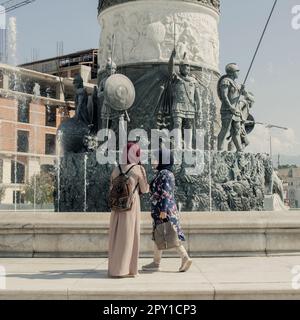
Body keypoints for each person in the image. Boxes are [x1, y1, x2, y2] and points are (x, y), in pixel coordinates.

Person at [142, 148, 192, 273]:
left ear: (162, 160)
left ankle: (185, 257)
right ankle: (156, 262)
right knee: (159, 234)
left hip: (164, 210)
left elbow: (166, 193)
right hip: (161, 210)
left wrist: (163, 210)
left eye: (155, 158)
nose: (152, 161)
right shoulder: (162, 173)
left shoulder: (165, 174)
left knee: (170, 234)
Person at [108, 142, 149, 278]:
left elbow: (111, 189)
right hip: (131, 206)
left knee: (116, 237)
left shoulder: (115, 169)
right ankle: (130, 270)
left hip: (116, 207)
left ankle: (114, 269)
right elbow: (144, 189)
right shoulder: (138, 169)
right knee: (130, 236)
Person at [217, 63, 247, 152]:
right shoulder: (225, 81)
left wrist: (242, 90)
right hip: (227, 109)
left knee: (236, 130)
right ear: (232, 72)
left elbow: (240, 96)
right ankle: (220, 149)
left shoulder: (236, 84)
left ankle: (239, 150)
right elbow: (224, 96)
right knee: (225, 129)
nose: (238, 72)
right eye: (237, 71)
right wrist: (230, 107)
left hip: (236, 110)